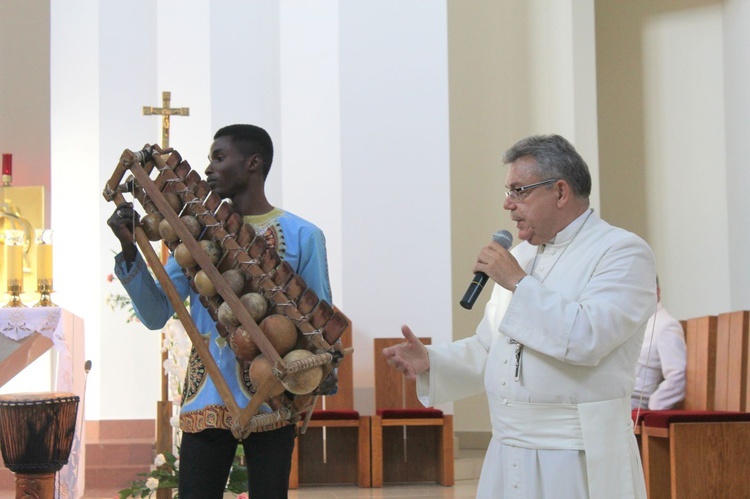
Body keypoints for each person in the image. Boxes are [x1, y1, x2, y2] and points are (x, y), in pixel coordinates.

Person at [383, 134, 657, 498]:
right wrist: (430, 361)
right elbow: (491, 346)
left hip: (575, 456)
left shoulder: (621, 251)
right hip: (509, 448)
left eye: (518, 191)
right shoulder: (525, 257)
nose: (507, 204)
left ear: (560, 192)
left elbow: (588, 338)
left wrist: (516, 281)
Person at [108, 124, 332, 499]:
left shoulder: (302, 235)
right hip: (209, 390)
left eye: (219, 157)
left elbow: (318, 331)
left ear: (253, 163)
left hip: (273, 391)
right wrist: (131, 251)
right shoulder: (193, 237)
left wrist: (313, 382)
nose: (208, 169)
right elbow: (156, 314)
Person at [631, 277, 686, 410]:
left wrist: (655, 406)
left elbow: (678, 374)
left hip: (635, 402)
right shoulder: (637, 322)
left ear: (657, 291)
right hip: (618, 396)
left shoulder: (666, 325)